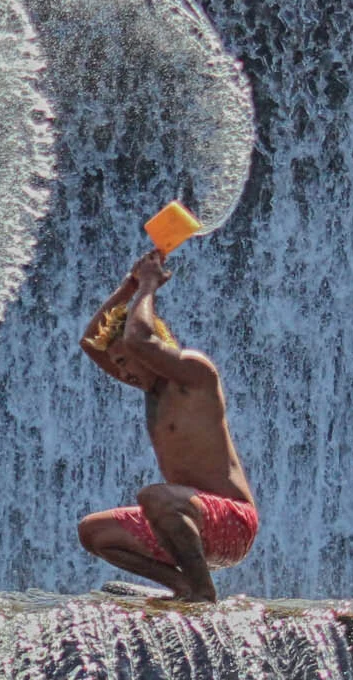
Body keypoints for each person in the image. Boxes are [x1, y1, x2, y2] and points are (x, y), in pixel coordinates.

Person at [77, 249, 258, 602]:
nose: (122, 373)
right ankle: (183, 585)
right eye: (118, 364)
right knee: (93, 531)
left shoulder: (194, 373)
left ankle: (203, 593)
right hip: (186, 520)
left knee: (155, 498)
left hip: (233, 522)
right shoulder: (152, 387)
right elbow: (91, 342)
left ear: (149, 351)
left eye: (125, 362)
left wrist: (149, 284)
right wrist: (130, 286)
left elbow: (139, 339)